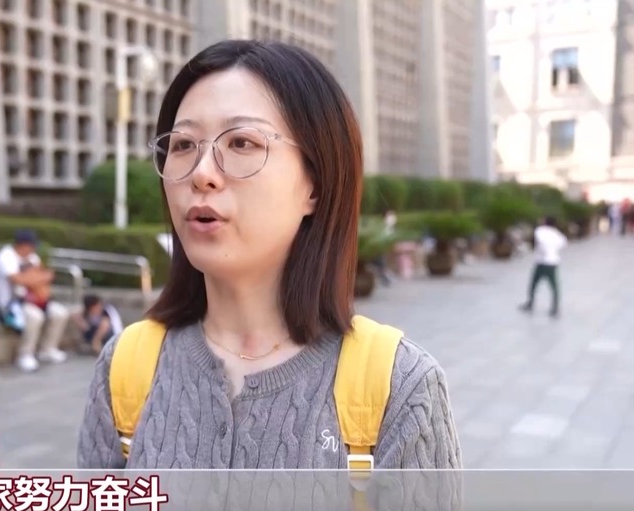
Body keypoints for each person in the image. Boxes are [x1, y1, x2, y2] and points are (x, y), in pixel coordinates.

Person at [78, 40, 461, 470]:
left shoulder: (399, 388)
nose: (201, 174)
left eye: (241, 142)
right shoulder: (126, 368)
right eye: (183, 145)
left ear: (315, 185)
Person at [0, 229, 69, 372]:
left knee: (60, 313)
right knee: (35, 317)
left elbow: (44, 277)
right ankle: (25, 355)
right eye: (32, 246)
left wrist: (33, 278)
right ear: (23, 245)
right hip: (12, 304)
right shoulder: (5, 257)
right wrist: (37, 278)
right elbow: (17, 279)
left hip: (35, 299)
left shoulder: (32, 257)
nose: (34, 249)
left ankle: (47, 350)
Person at [520, 216, 568, 318]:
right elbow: (564, 243)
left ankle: (530, 303)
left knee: (534, 283)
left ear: (545, 222)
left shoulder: (540, 231)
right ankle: (555, 307)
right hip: (553, 261)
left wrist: (541, 249)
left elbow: (537, 241)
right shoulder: (557, 233)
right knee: (554, 286)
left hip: (541, 261)